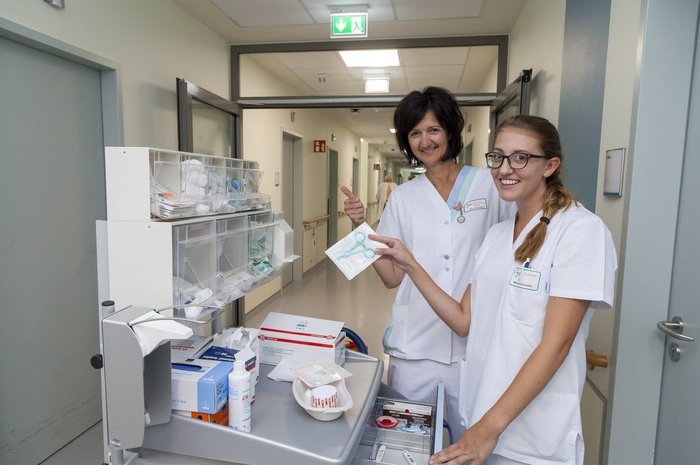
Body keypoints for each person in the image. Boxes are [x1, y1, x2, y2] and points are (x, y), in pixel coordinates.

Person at [370, 115, 617, 465]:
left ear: (550, 165)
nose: (504, 168)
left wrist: (489, 428)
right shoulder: (498, 236)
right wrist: (409, 263)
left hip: (531, 433)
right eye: (498, 157)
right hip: (482, 417)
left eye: (520, 157)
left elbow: (556, 343)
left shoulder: (581, 231)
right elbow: (463, 320)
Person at [341, 86, 514, 439]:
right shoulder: (404, 197)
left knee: (473, 444)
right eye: (415, 133)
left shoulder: (489, 185)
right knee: (407, 441)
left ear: (451, 130)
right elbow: (390, 277)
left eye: (433, 129)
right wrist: (360, 226)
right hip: (415, 348)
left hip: (474, 349)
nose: (425, 141)